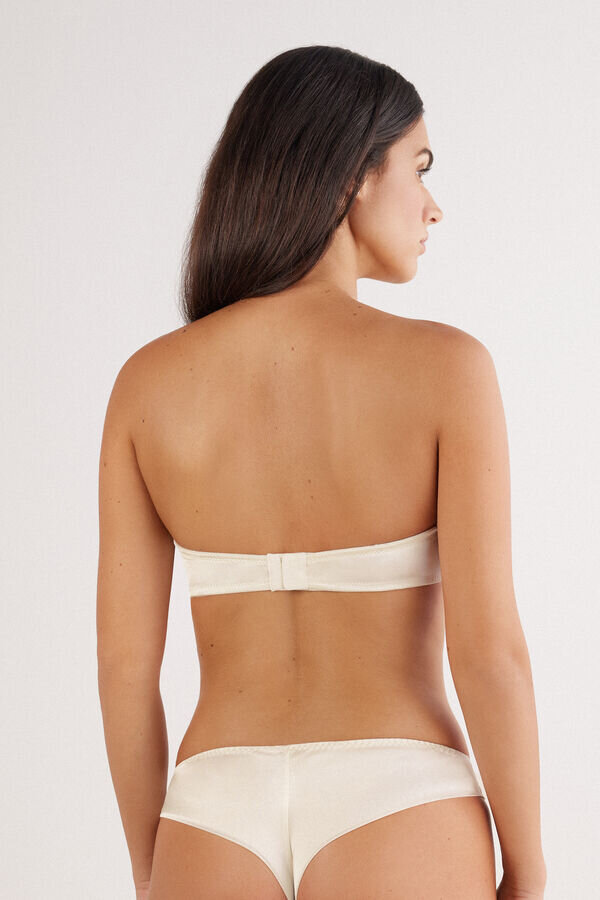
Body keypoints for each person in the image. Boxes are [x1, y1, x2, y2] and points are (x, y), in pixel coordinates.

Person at [96, 45, 546, 900]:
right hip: (401, 798)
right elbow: (489, 653)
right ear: (352, 177)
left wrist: (153, 869)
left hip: (211, 807)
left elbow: (123, 666)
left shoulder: (146, 386)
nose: (434, 205)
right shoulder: (447, 368)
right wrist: (527, 864)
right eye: (419, 167)